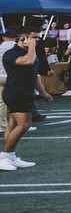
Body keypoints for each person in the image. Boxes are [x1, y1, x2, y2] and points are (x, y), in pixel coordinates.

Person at [2, 21, 47, 170]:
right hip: (16, 93)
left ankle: (10, 156)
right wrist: (32, 48)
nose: (37, 40)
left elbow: (34, 75)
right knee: (25, 125)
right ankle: (5, 155)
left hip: (24, 93)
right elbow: (27, 62)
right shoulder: (12, 53)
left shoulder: (30, 53)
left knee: (13, 125)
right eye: (34, 38)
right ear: (23, 39)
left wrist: (42, 92)